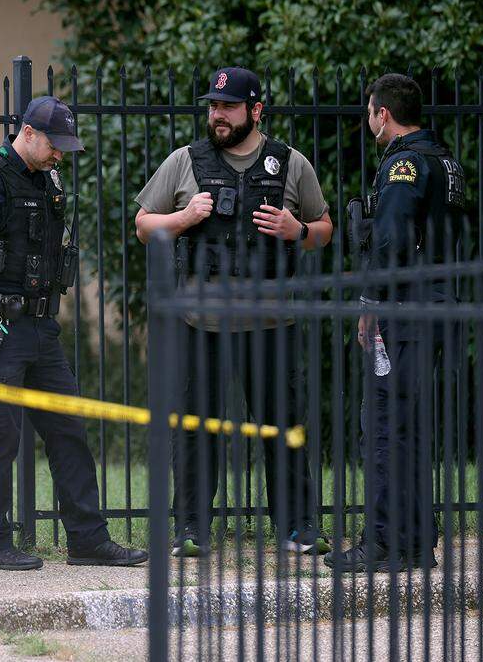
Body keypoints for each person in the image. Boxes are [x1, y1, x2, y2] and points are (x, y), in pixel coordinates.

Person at [0, 95, 148, 570]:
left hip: (41, 329)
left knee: (68, 430)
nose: (60, 154)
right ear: (27, 133)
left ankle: (87, 539)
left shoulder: (47, 179)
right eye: (55, 144)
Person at [134, 67, 334, 557]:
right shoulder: (185, 161)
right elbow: (142, 225)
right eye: (212, 106)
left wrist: (298, 231)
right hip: (198, 323)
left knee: (283, 426)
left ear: (255, 110)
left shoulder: (291, 165)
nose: (216, 115)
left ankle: (297, 528)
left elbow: (325, 226)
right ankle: (192, 529)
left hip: (271, 322)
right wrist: (185, 217)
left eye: (227, 106)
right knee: (197, 428)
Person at [327, 73, 466, 572]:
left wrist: (370, 302)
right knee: (408, 427)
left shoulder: (403, 163)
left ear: (383, 114)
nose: (369, 121)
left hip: (403, 309)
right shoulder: (444, 161)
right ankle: (414, 541)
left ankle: (384, 540)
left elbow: (391, 240)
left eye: (369, 112)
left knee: (383, 425)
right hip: (436, 304)